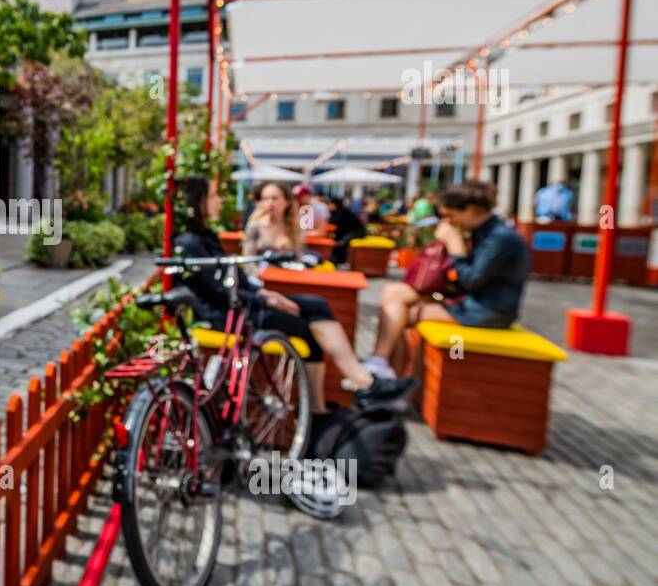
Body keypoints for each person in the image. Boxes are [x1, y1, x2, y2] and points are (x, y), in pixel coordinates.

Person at [173, 177, 415, 416]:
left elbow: (233, 277)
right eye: (214, 196)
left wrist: (263, 293)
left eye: (274, 198)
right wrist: (265, 298)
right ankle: (341, 396)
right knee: (309, 329)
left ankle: (358, 383)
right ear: (199, 201)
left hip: (243, 301)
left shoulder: (205, 236)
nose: (219, 201)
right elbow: (221, 288)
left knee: (318, 305)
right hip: (229, 314)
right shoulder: (194, 241)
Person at [367, 179, 531, 378]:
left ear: (471, 209)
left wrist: (455, 246)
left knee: (399, 318)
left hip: (485, 312)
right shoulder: (482, 232)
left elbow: (470, 281)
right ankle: (382, 366)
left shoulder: (500, 238)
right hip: (463, 301)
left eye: (451, 215)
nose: (449, 222)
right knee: (393, 293)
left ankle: (394, 377)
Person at [327, 196, 367, 266]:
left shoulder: (342, 212)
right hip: (348, 232)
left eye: (330, 204)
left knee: (341, 242)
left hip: (357, 232)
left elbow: (333, 222)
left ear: (335, 204)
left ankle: (342, 261)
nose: (328, 206)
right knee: (337, 240)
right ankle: (337, 260)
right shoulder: (337, 212)